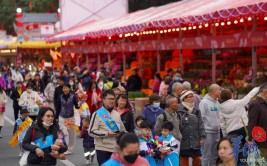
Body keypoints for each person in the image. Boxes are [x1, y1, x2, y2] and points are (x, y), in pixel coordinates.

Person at [89, 89, 126, 165]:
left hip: (115, 148)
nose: (112, 101)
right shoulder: (97, 114)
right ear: (103, 100)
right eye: (109, 99)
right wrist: (107, 133)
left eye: (113, 99)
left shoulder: (117, 114)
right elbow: (91, 131)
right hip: (102, 148)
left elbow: (122, 130)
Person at [178, 90, 206, 166]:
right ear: (184, 98)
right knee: (183, 160)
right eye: (190, 97)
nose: (192, 98)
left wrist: (202, 136)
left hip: (195, 140)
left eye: (192, 96)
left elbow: (201, 124)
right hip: (184, 141)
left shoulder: (196, 110)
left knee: (197, 158)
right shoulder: (179, 110)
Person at [199, 84, 221, 166]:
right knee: (206, 155)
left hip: (217, 132)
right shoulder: (204, 102)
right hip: (207, 132)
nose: (220, 91)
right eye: (219, 90)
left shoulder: (217, 102)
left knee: (215, 155)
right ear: (215, 91)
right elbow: (201, 118)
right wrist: (202, 134)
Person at [56, 83, 80, 154]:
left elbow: (76, 106)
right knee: (65, 133)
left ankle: (70, 149)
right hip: (62, 117)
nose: (65, 89)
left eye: (66, 88)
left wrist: (79, 105)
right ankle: (65, 149)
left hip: (70, 118)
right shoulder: (60, 97)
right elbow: (58, 108)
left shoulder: (73, 97)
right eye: (64, 88)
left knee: (71, 134)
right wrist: (56, 118)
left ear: (69, 89)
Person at [248, 83, 267, 160]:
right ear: (265, 92)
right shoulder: (255, 104)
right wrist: (250, 140)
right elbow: (252, 123)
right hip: (260, 142)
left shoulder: (263, 104)